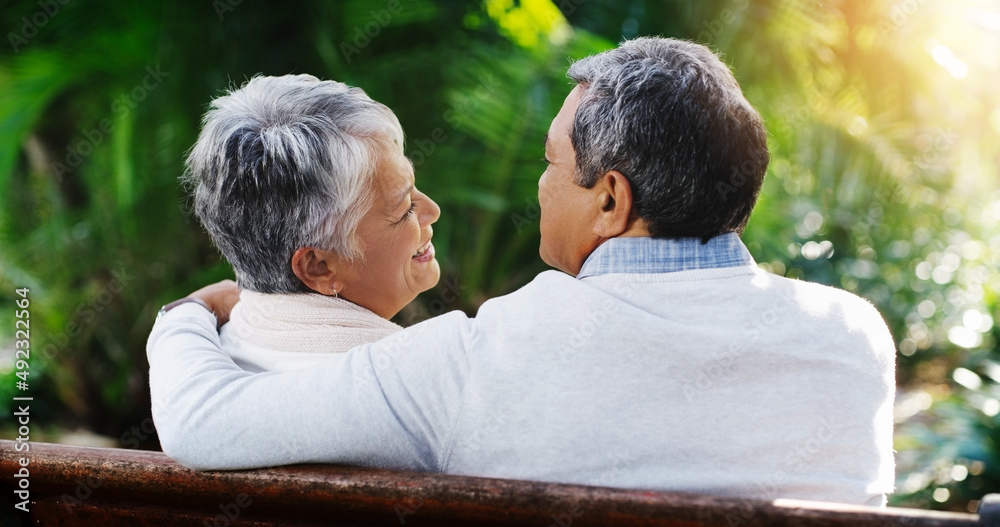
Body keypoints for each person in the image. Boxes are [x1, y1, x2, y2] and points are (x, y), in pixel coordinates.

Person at [148, 37, 895, 506]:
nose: (538, 185)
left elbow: (208, 423)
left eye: (551, 162)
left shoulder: (486, 358)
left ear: (610, 199)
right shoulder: (856, 339)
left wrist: (190, 311)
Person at [166, 74, 441, 372]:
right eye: (405, 208)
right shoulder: (417, 377)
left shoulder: (214, 354)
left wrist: (183, 317)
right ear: (317, 267)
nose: (432, 211)